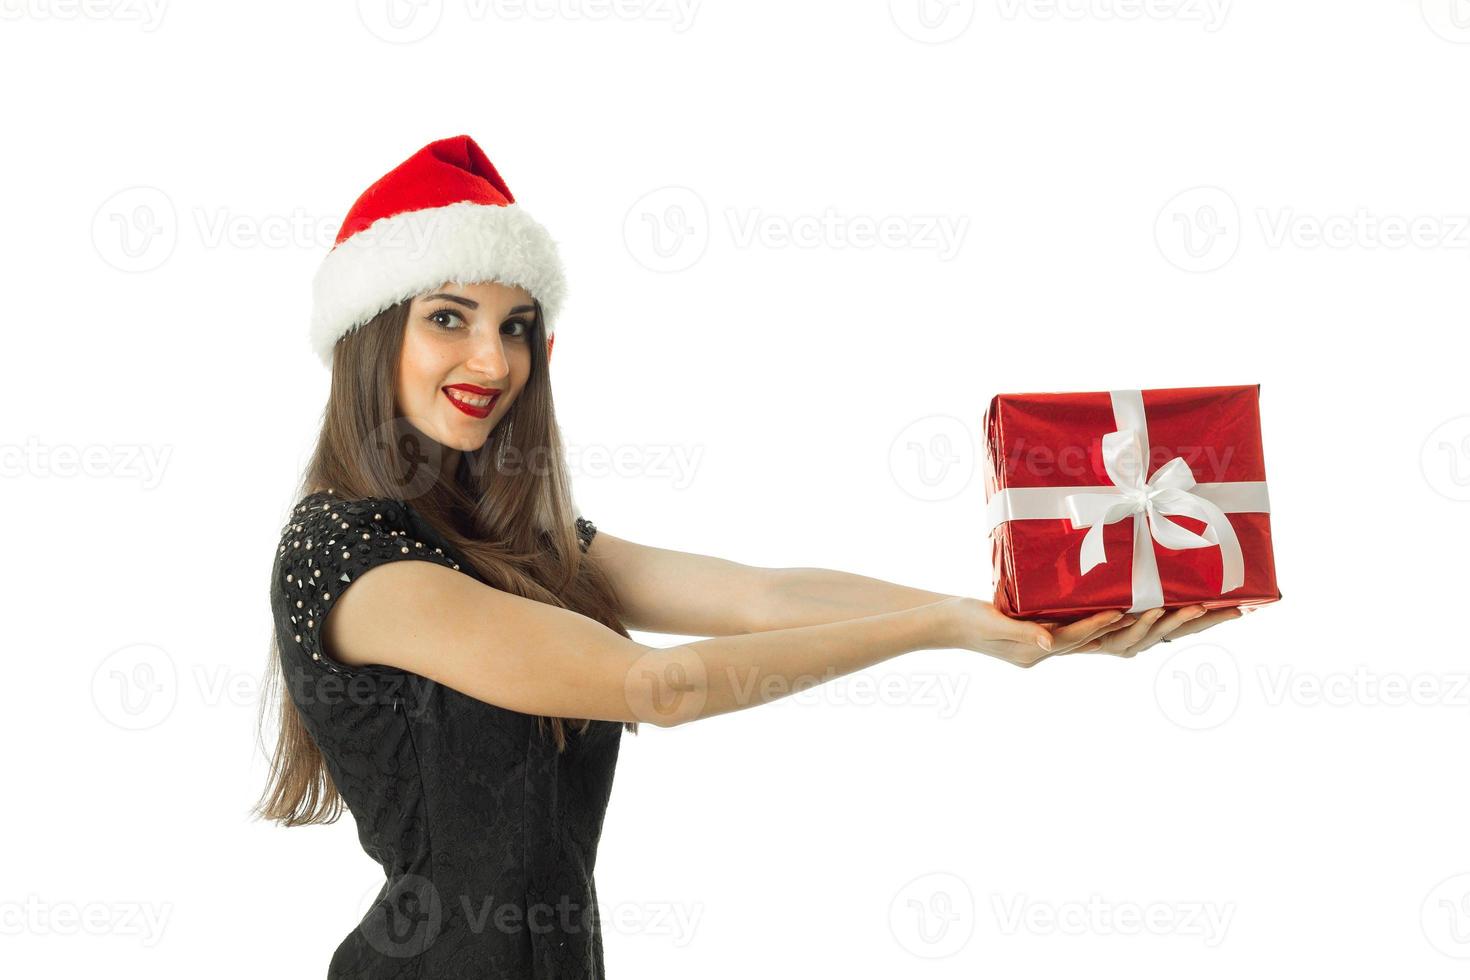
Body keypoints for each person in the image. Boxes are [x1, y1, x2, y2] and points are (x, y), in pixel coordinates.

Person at [252, 134, 1244, 979]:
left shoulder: (508, 545)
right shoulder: (342, 552)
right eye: (449, 319)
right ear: (370, 333)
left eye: (517, 326)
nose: (494, 360)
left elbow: (759, 593)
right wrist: (948, 630)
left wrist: (1000, 609)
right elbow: (661, 684)